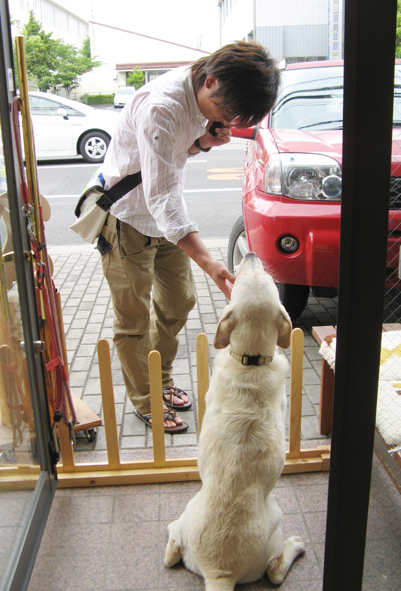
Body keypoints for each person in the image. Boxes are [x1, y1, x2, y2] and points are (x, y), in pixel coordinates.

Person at [98, 41, 281, 432]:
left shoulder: (201, 89)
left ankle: (160, 377)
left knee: (179, 301)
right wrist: (210, 262)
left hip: (167, 223)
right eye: (225, 112)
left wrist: (201, 143)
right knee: (132, 320)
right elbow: (161, 196)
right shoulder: (161, 107)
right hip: (128, 219)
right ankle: (145, 399)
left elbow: (172, 160)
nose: (226, 120)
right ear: (211, 81)